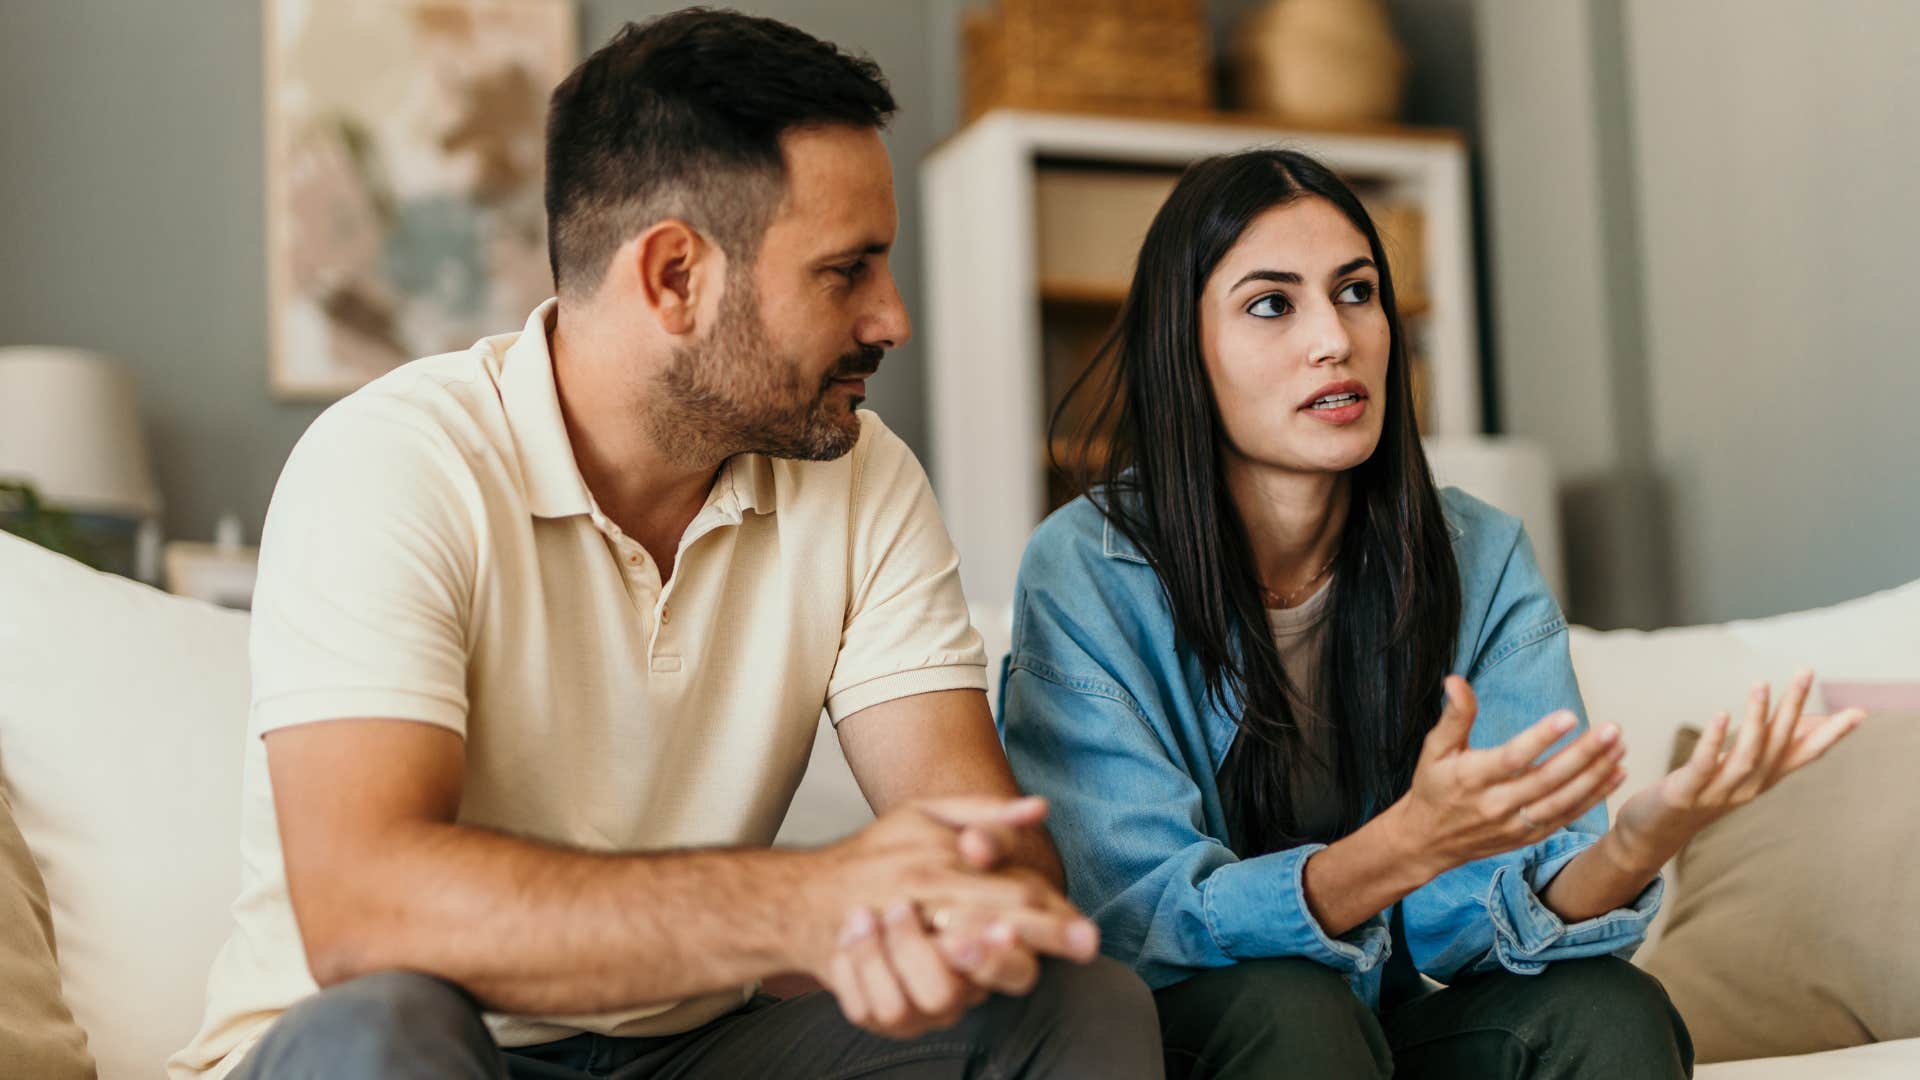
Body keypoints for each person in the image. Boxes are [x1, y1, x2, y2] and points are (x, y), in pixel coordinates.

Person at [169, 11, 1160, 1079]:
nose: (891, 319)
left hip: (685, 1054)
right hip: (419, 1046)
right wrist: (797, 906)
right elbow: (367, 910)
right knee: (385, 1030)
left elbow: (984, 850)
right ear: (674, 276)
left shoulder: (862, 477)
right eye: (847, 271)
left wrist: (941, 921)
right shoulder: (393, 463)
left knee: (1070, 1005)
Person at [996, 148, 1863, 1079]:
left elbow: (1478, 922)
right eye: (1271, 304)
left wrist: (1639, 843)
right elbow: (1137, 917)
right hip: (1191, 1037)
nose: (1333, 337)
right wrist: (1400, 846)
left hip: (1378, 1028)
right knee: (1292, 1007)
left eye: (1357, 291)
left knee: (1605, 1009)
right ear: (1185, 350)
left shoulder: (1480, 557)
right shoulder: (1086, 569)